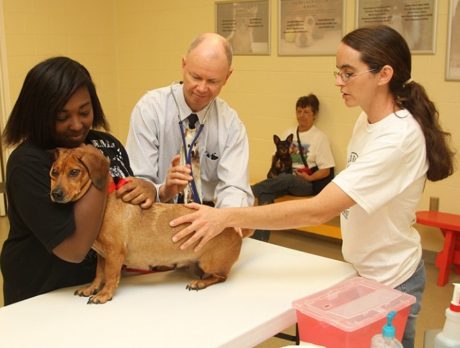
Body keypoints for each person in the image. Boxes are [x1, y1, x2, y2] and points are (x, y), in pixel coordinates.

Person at [169, 25, 455, 348]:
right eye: (338, 72)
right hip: (363, 272)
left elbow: (319, 210)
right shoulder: (367, 119)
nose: (338, 82)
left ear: (384, 74)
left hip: (393, 282)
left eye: (348, 73)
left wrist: (226, 217)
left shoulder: (398, 138)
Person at [0, 56, 155, 305]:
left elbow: (126, 211)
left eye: (84, 111)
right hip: (46, 297)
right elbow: (74, 249)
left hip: (109, 290)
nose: (76, 124)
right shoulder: (27, 163)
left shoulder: (107, 145)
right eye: (62, 117)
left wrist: (150, 190)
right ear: (38, 115)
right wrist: (98, 172)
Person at [125, 32, 253, 209]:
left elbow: (235, 187)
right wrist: (163, 191)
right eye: (196, 77)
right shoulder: (150, 109)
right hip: (157, 214)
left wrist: (228, 217)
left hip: (210, 218)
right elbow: (138, 182)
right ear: (184, 65)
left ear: (227, 77)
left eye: (212, 81)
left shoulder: (231, 124)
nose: (201, 88)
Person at [251, 94, 335, 241]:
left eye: (306, 112)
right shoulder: (288, 133)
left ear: (314, 115)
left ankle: (249, 192)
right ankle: (260, 240)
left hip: (306, 184)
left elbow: (326, 170)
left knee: (287, 178)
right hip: (284, 178)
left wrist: (309, 177)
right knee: (266, 195)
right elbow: (275, 156)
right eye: (299, 111)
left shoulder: (319, 137)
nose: (301, 116)